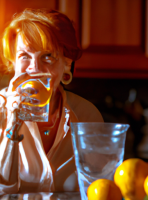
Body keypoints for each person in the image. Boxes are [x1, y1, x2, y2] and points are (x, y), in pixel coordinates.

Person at [0, 8, 104, 194]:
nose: (34, 68)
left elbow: (99, 190)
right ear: (14, 63)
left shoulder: (87, 115)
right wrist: (12, 126)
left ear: (66, 65)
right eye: (24, 56)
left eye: (47, 56)